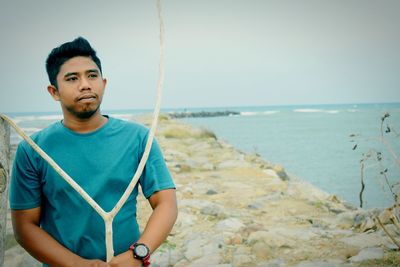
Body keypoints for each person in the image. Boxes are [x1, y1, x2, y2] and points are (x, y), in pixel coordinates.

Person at [9, 37, 177, 267]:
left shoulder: (138, 138)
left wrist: (138, 254)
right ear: (54, 91)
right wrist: (77, 264)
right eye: (72, 78)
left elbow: (166, 203)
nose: (85, 84)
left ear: (103, 83)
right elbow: (24, 226)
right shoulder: (33, 148)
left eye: (92, 75)